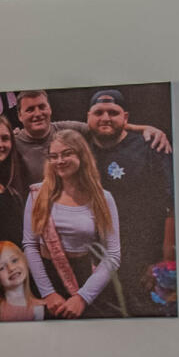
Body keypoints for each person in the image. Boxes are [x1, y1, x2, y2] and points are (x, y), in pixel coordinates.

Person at [83, 89, 176, 317]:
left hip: (143, 257)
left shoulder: (150, 147)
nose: (105, 118)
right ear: (88, 117)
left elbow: (171, 204)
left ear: (126, 117)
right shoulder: (80, 150)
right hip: (96, 259)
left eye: (113, 112)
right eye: (99, 112)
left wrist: (164, 261)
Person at [23, 126, 121, 317]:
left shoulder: (103, 198)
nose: (59, 161)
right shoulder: (38, 194)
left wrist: (82, 297)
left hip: (84, 283)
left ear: (81, 156)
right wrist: (48, 293)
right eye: (53, 156)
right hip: (45, 279)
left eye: (67, 154)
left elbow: (113, 255)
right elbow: (30, 245)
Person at [9, 88, 166, 188]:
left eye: (42, 107)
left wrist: (146, 128)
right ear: (19, 115)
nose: (38, 113)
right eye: (30, 110)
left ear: (50, 109)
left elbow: (102, 125)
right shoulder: (12, 142)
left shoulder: (67, 129)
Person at [0, 240, 44, 321]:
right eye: (1, 268)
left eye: (14, 260)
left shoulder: (38, 308)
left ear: (25, 260)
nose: (11, 268)